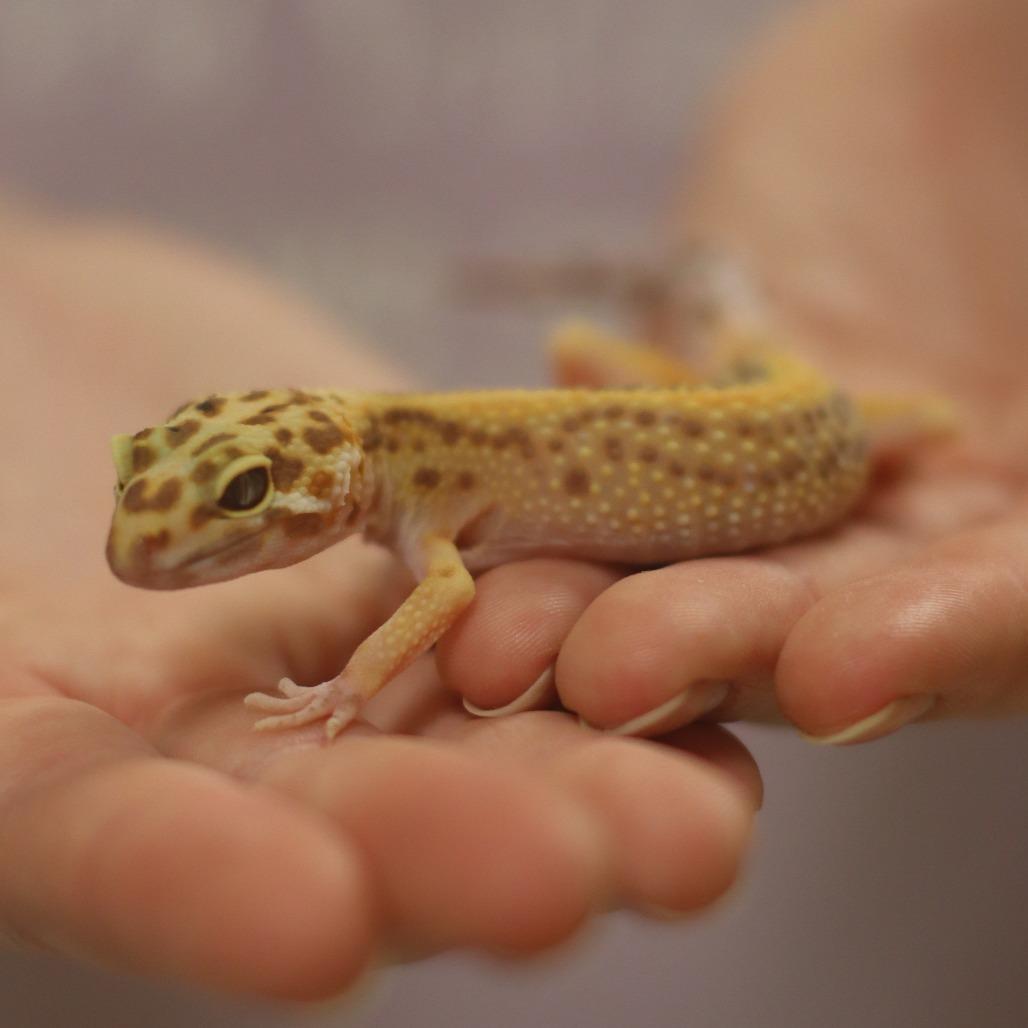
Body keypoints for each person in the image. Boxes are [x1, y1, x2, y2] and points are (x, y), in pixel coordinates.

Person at [1, 0, 1025, 1004]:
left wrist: (343, 692)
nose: (156, 539)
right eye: (143, 469)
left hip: (823, 437)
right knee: (585, 354)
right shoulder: (398, 464)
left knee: (920, 424)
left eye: (240, 495)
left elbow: (442, 594)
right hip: (760, 402)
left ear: (341, 478)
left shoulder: (420, 497)